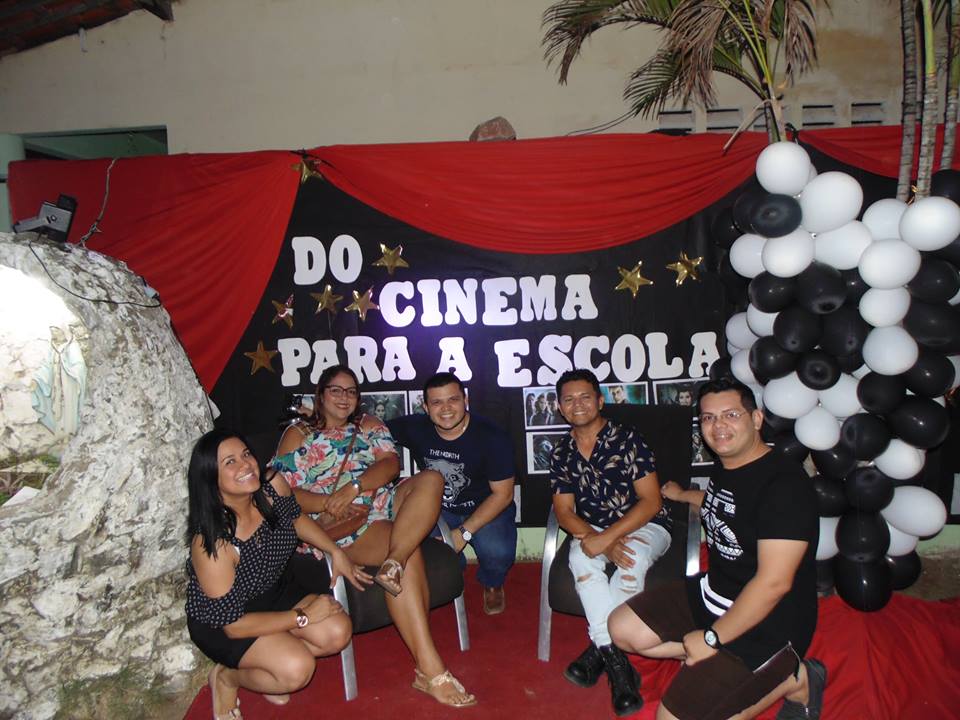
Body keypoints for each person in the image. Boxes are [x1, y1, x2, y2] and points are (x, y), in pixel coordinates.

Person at [608, 376, 825, 720]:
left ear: (756, 419)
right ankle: (717, 669)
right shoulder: (730, 465)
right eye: (709, 418)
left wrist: (711, 639)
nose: (718, 426)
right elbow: (726, 506)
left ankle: (795, 679)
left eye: (731, 415)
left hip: (769, 621)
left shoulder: (784, 486)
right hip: (716, 594)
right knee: (621, 628)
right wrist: (683, 495)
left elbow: (774, 583)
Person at [270, 364, 476, 708]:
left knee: (432, 479)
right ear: (320, 395)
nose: (344, 398)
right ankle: (430, 669)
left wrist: (354, 487)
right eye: (336, 390)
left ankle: (394, 560)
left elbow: (390, 465)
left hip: (379, 502)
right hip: (342, 522)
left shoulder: (368, 425)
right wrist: (330, 502)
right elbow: (281, 493)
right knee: (409, 553)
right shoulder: (298, 434)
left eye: (351, 392)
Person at [185, 429, 360, 720]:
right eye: (229, 462)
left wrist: (334, 550)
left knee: (337, 632)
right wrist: (302, 617)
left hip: (275, 592)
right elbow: (233, 626)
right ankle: (228, 677)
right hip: (227, 621)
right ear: (210, 479)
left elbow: (295, 518)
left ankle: (268, 660)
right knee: (296, 669)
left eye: (246, 454)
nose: (245, 464)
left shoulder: (272, 486)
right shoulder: (213, 544)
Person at [549, 368, 671, 717]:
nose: (578, 404)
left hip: (646, 524)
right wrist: (596, 539)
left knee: (630, 560)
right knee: (581, 559)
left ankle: (599, 652)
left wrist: (609, 538)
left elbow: (651, 501)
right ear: (559, 407)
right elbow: (564, 511)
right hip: (593, 528)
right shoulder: (560, 452)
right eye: (569, 399)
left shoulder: (628, 439)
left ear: (600, 401)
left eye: (585, 396)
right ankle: (618, 664)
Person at [388, 372, 517, 615]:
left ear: (465, 400)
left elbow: (503, 495)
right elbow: (373, 427)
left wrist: (463, 533)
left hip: (486, 505)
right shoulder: (416, 427)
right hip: (438, 508)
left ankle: (492, 582)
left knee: (497, 551)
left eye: (453, 400)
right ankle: (453, 571)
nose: (446, 408)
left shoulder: (492, 437)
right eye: (437, 402)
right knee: (418, 545)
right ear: (426, 407)